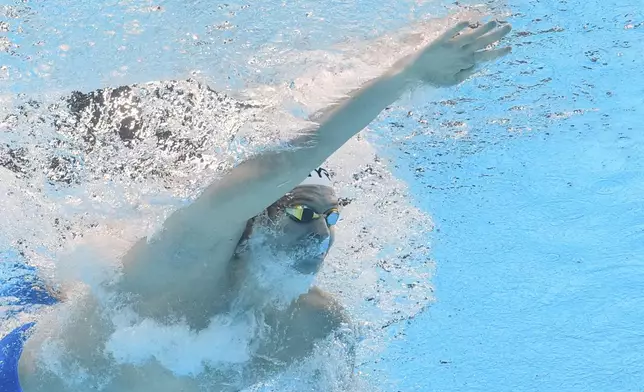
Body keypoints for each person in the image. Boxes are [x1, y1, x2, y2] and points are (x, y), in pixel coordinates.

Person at [1, 20, 512, 391]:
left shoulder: (315, 326)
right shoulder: (178, 263)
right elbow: (275, 169)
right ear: (250, 220)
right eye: (303, 213)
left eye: (331, 217)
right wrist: (404, 76)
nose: (322, 235)